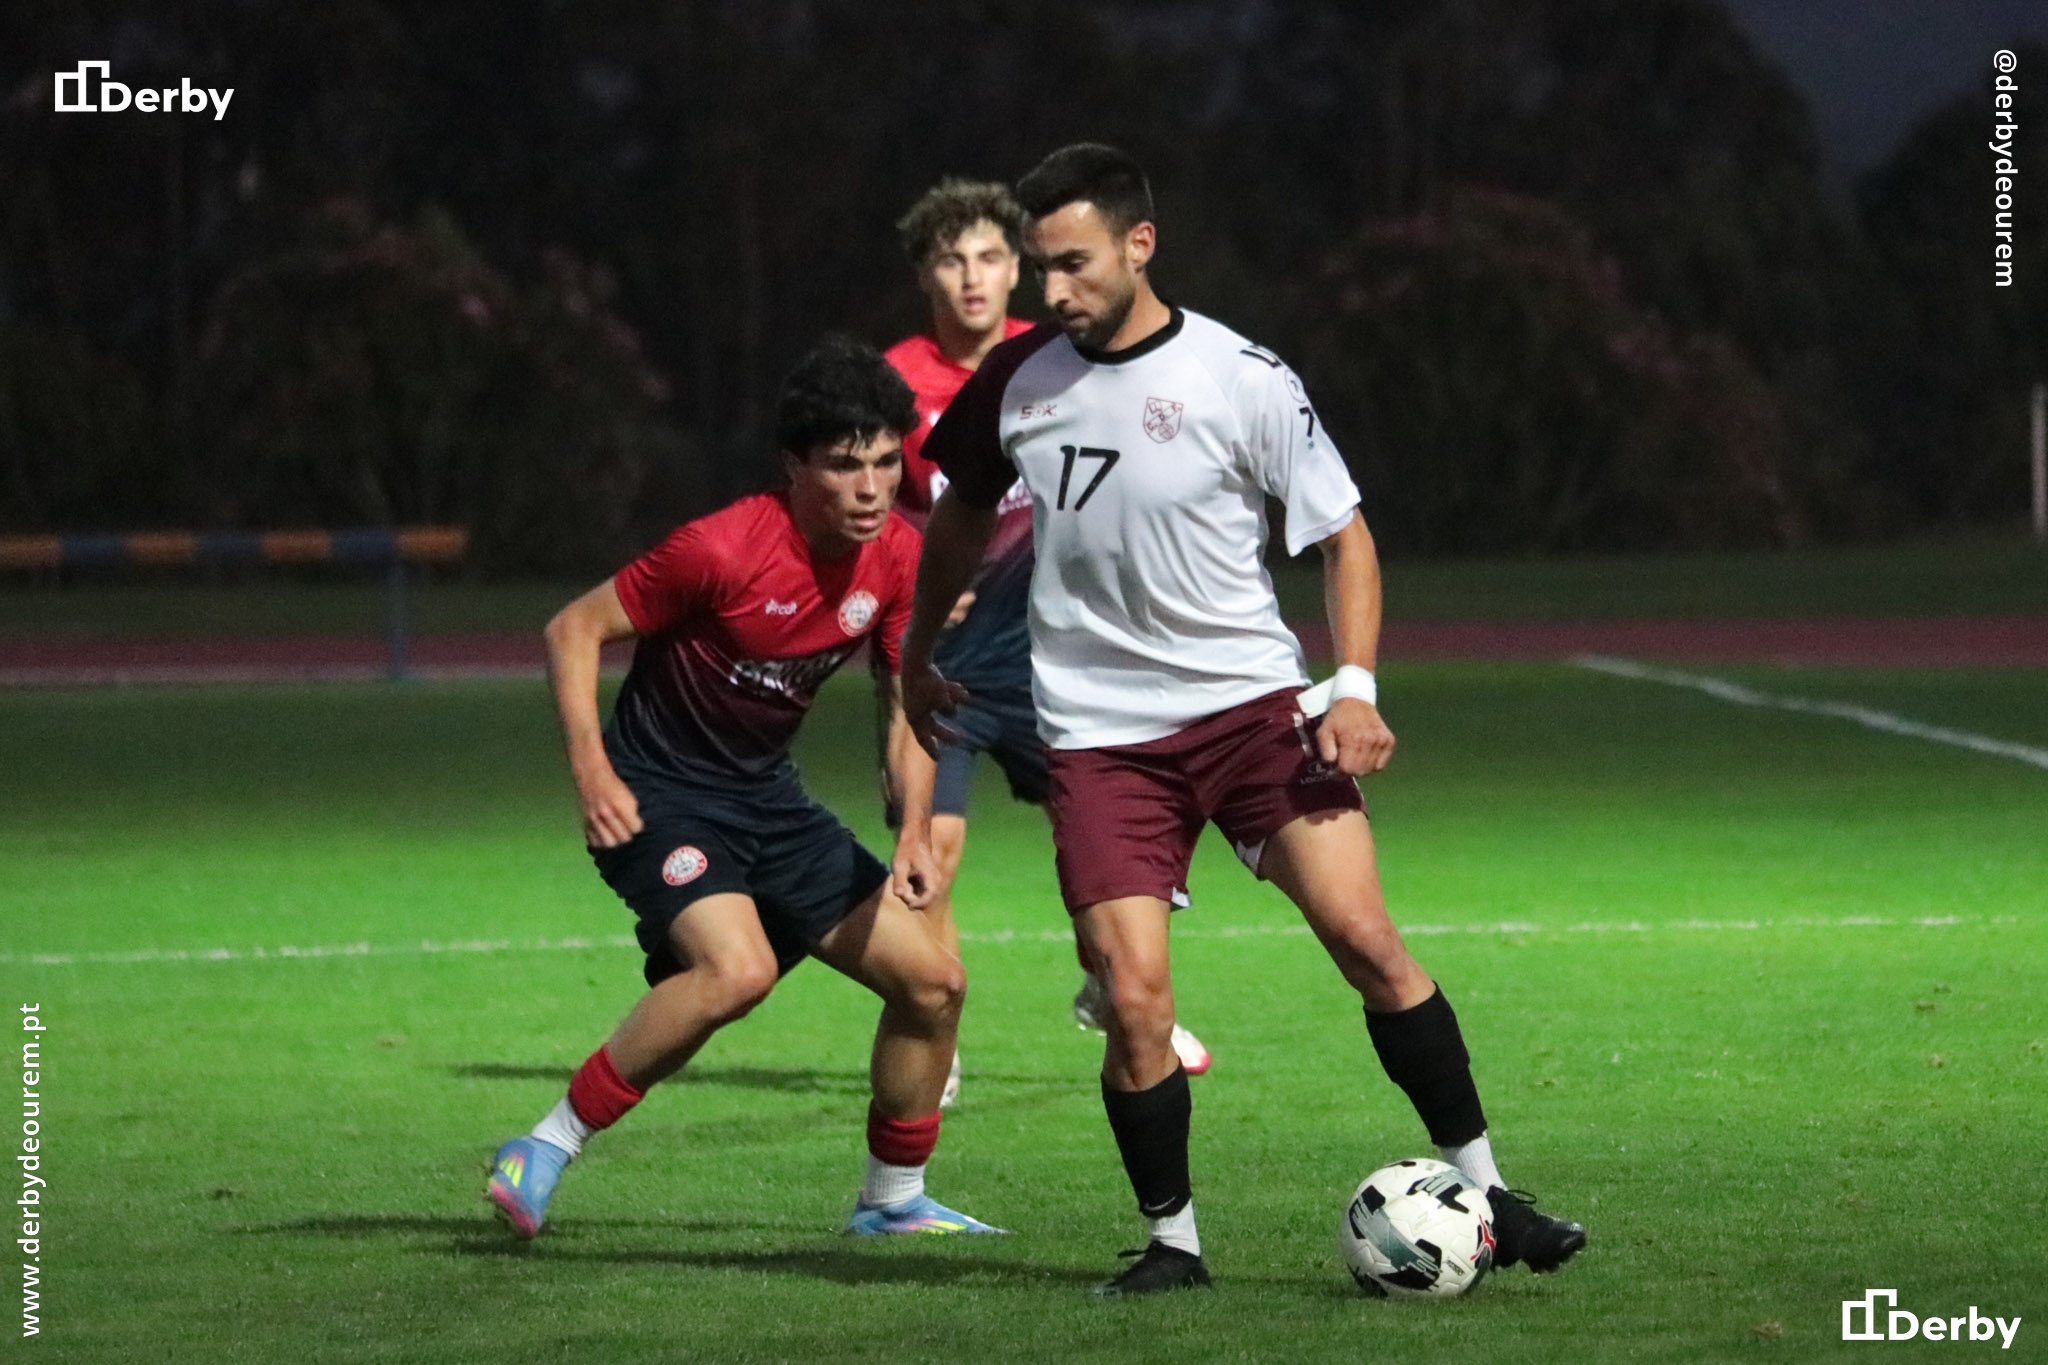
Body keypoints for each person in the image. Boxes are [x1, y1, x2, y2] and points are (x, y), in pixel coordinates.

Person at [900, 144, 1585, 1296]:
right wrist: (919, 652)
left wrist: (1353, 686)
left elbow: (1343, 536)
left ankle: (1492, 1195)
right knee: (1132, 1001)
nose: (1050, 290)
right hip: (1100, 741)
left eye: (1072, 264)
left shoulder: (1240, 376)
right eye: (1038, 266)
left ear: (1139, 245)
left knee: (1367, 943)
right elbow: (963, 511)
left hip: (1252, 714)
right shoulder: (1016, 380)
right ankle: (1172, 1245)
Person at [487, 337, 999, 1240]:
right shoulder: (721, 547)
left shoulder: (896, 558)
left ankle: (892, 1199)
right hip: (660, 794)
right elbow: (572, 628)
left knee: (934, 984)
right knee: (739, 969)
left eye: (887, 463)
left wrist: (915, 826)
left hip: (768, 799)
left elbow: (905, 706)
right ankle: (544, 1145)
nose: (872, 488)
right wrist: (592, 771)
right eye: (845, 466)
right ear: (794, 465)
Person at [880, 178, 1211, 1108]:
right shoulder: (894, 384)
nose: (973, 277)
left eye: (992, 257)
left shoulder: (1059, 361)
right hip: (946, 662)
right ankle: (938, 1041)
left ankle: (1115, 988)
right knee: (933, 847)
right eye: (953, 260)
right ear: (925, 275)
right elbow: (861, 505)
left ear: (1016, 269)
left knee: (1103, 840)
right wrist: (909, 588)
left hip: (1056, 657)